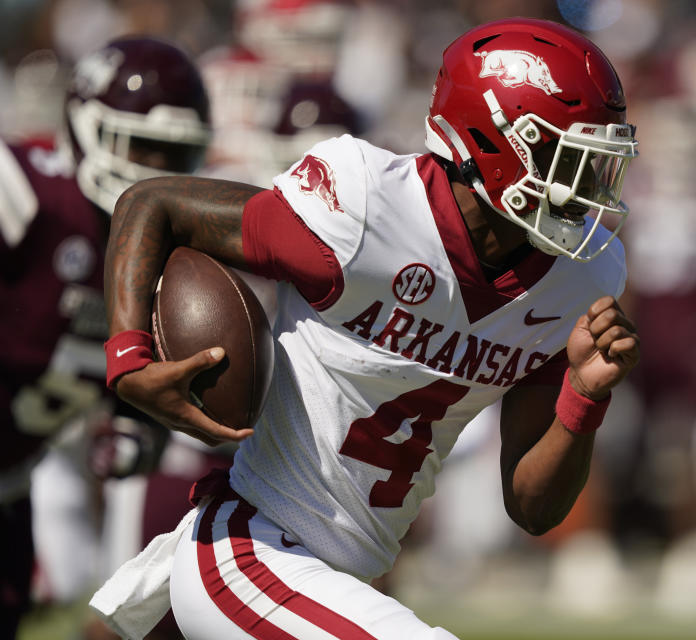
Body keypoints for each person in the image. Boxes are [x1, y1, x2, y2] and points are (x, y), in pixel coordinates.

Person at [90, 17, 641, 639]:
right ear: (492, 139)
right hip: (255, 547)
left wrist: (585, 397)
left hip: (344, 579)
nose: (584, 190)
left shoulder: (578, 282)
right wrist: (128, 358)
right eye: (563, 156)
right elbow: (151, 202)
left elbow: (534, 509)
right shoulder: (366, 207)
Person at [0, 36, 211, 636]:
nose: (154, 171)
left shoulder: (181, 263)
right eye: (139, 144)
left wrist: (139, 434)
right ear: (86, 127)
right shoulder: (26, 193)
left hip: (11, 486)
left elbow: (153, 400)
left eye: (174, 154)